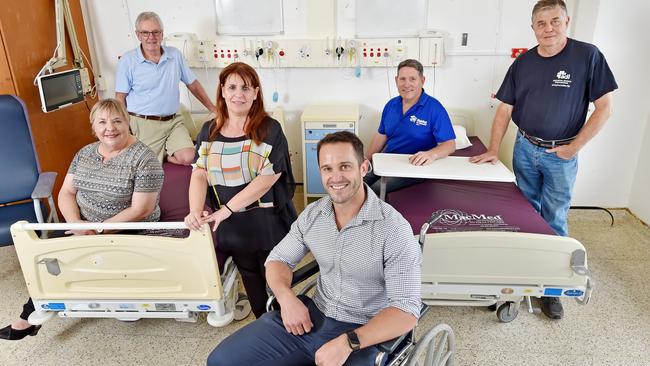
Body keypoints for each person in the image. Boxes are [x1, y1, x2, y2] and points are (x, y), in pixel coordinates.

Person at [207, 131, 422, 366]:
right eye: (327, 168)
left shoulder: (393, 229)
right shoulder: (313, 215)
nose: (335, 177)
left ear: (363, 168)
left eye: (345, 166)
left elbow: (406, 311)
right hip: (314, 316)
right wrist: (286, 298)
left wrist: (349, 341)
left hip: (365, 331)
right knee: (221, 360)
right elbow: (278, 260)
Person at [469, 0, 617, 319]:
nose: (547, 28)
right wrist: (494, 149)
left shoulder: (587, 56)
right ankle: (521, 275)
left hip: (561, 154)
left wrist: (573, 148)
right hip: (525, 146)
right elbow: (505, 109)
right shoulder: (523, 63)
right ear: (533, 27)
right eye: (540, 23)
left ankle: (551, 286)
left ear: (567, 21)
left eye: (554, 21)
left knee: (554, 217)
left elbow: (605, 108)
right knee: (524, 211)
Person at [0, 98, 164, 340]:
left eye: (117, 121)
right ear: (93, 127)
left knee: (81, 255)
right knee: (45, 255)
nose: (110, 127)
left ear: (128, 122)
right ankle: (30, 315)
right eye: (102, 122)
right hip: (82, 224)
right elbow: (66, 192)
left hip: (127, 228)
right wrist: (76, 224)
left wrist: (98, 231)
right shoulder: (85, 153)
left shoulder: (144, 159)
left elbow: (141, 209)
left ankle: (32, 315)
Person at [184, 62, 296, 319]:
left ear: (256, 93)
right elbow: (199, 172)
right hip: (232, 225)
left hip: (266, 221)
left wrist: (227, 210)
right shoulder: (208, 130)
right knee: (250, 278)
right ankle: (264, 328)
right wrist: (194, 210)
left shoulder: (269, 128)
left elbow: (268, 178)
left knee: (276, 280)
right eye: (232, 87)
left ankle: (287, 328)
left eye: (246, 88)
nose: (239, 94)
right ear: (222, 91)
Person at [115, 11, 216, 165]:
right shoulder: (127, 61)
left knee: (190, 157)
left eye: (156, 32)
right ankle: (162, 154)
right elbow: (120, 97)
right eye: (145, 32)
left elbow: (193, 84)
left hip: (173, 121)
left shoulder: (175, 56)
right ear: (138, 35)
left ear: (162, 34)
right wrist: (122, 126)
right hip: (144, 123)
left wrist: (213, 108)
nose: (151, 37)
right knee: (143, 165)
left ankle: (166, 155)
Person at [364, 59, 456, 195]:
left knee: (375, 190)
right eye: (402, 79)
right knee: (356, 182)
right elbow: (381, 135)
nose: (407, 84)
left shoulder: (434, 108)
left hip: (414, 166)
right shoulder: (391, 105)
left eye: (412, 79)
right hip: (387, 160)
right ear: (396, 80)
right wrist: (366, 160)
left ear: (422, 80)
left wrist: (431, 154)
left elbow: (450, 145)